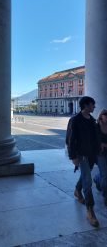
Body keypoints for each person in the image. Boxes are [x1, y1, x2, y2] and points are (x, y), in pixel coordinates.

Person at [66, 96, 99, 227]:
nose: (94, 107)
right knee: (88, 181)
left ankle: (77, 190)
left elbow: (95, 138)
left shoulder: (92, 120)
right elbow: (70, 139)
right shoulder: (75, 120)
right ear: (85, 105)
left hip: (92, 155)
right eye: (92, 104)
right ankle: (90, 211)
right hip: (81, 155)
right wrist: (73, 156)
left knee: (85, 176)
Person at [93, 109, 107, 205]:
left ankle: (97, 179)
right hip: (100, 153)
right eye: (105, 115)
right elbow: (94, 141)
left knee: (103, 175)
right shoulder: (96, 126)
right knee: (105, 175)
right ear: (101, 116)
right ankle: (106, 196)